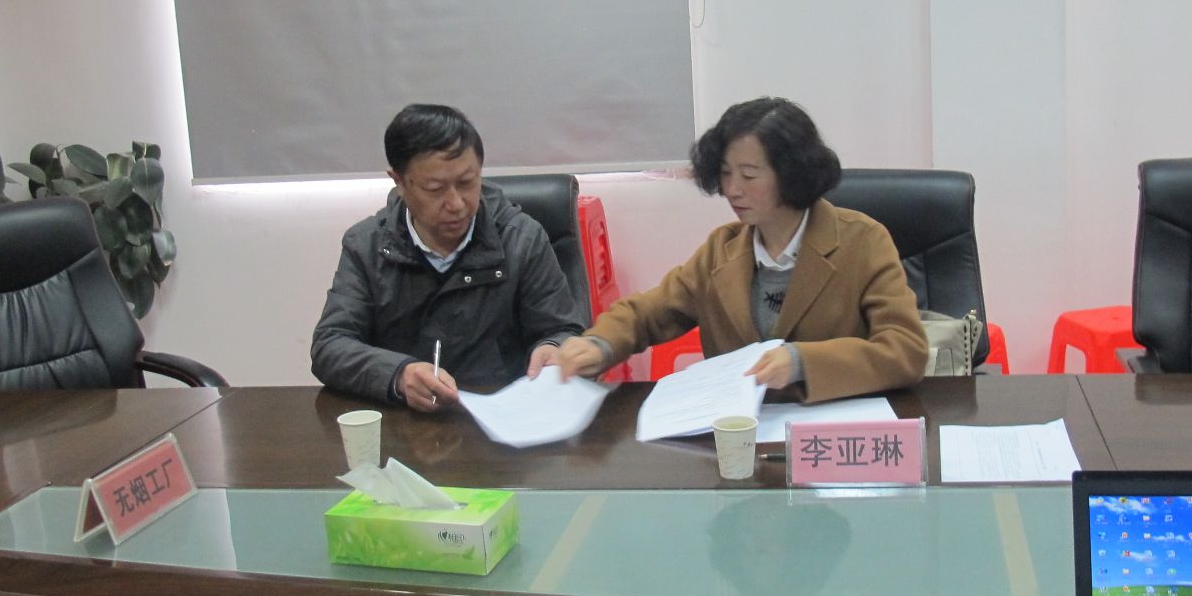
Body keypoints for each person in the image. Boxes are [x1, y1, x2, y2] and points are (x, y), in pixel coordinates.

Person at [551, 97, 926, 402]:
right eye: (726, 173)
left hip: (832, 434)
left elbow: (905, 351)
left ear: (793, 173)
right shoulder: (722, 249)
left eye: (748, 175)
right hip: (741, 436)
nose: (732, 189)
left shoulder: (863, 242)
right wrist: (601, 344)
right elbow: (649, 312)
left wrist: (802, 362)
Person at [312, 104, 584, 411]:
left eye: (467, 182)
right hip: (404, 421)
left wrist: (554, 347)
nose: (456, 203)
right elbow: (330, 346)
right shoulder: (367, 245)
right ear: (398, 181)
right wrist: (399, 374)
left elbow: (563, 329)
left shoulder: (521, 239)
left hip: (502, 416)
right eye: (435, 189)